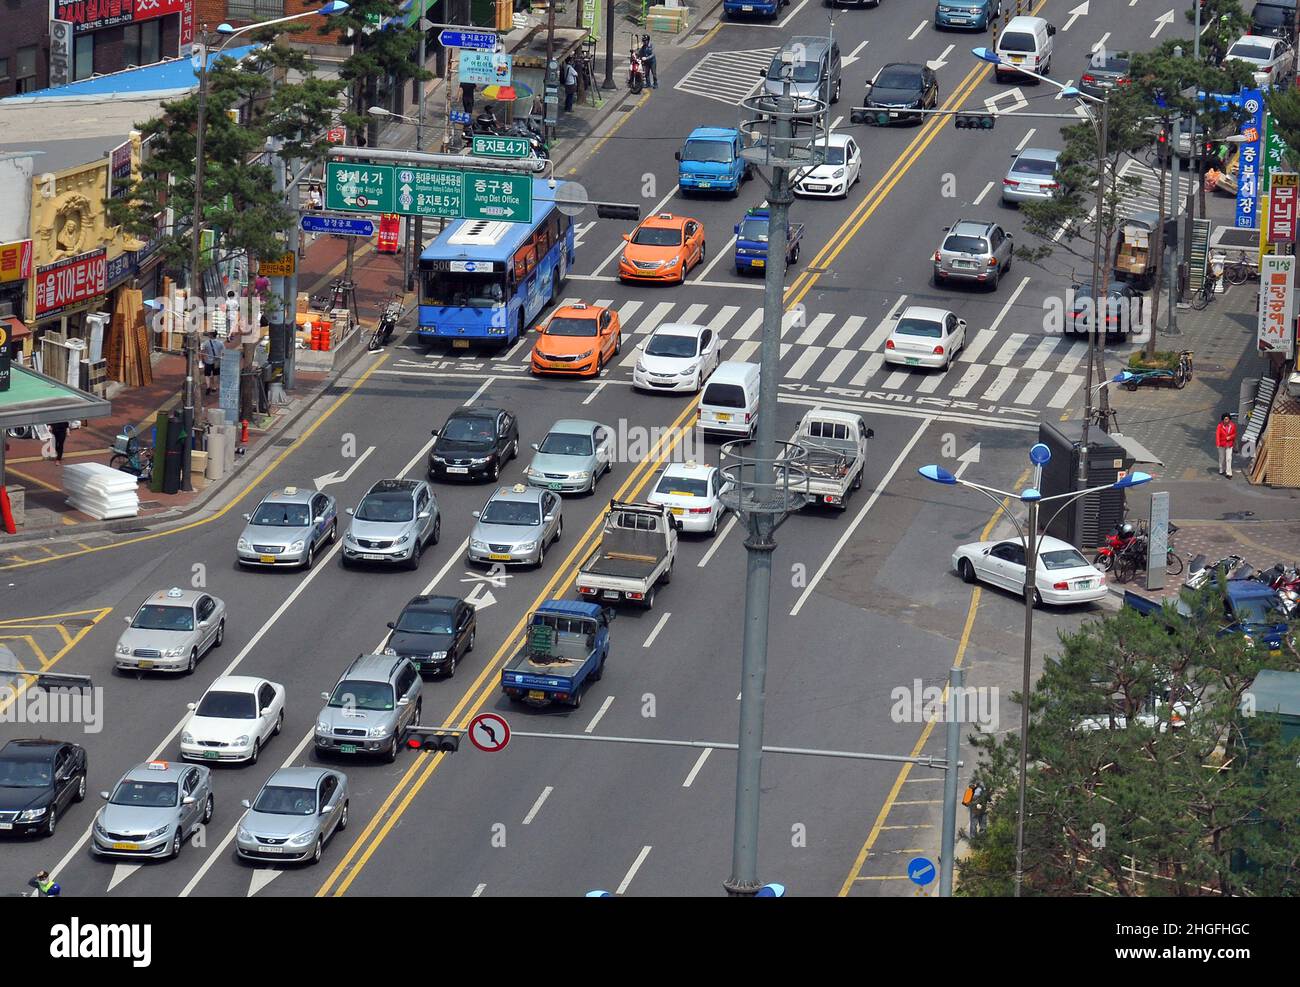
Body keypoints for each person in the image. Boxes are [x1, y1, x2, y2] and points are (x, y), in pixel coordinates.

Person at [201, 331, 222, 396]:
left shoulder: (206, 343)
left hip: (208, 361)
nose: (208, 334)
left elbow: (202, 351)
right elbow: (224, 351)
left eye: (209, 334)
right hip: (217, 361)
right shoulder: (220, 343)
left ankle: (208, 387)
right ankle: (214, 387)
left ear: (211, 335)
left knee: (207, 375)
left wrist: (203, 358)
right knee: (215, 374)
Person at [1216, 412, 1238, 478]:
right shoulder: (1219, 426)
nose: (1226, 421)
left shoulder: (1233, 426)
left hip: (1229, 444)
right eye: (1225, 419)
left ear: (1229, 419)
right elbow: (1217, 435)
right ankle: (1221, 469)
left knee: (1228, 458)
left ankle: (1229, 472)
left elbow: (1234, 434)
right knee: (1222, 458)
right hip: (1222, 444)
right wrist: (1218, 444)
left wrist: (1230, 437)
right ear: (1223, 420)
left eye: (1227, 419)